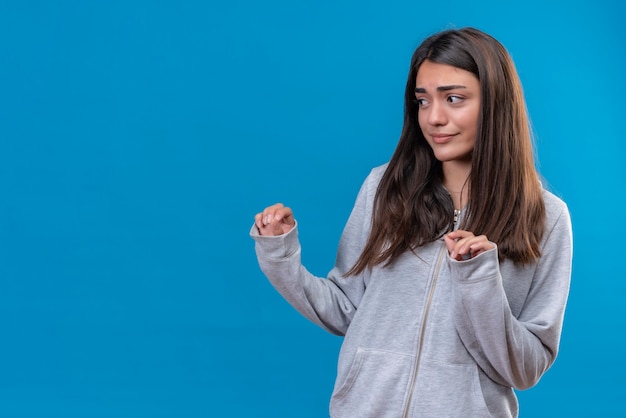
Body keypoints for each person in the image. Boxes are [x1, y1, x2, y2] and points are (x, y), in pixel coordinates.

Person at [250, 27, 572, 418]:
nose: (434, 118)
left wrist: (479, 281)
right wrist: (280, 255)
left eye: (454, 99)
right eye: (423, 101)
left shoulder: (546, 217)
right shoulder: (383, 189)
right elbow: (344, 310)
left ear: (496, 103)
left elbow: (525, 369)